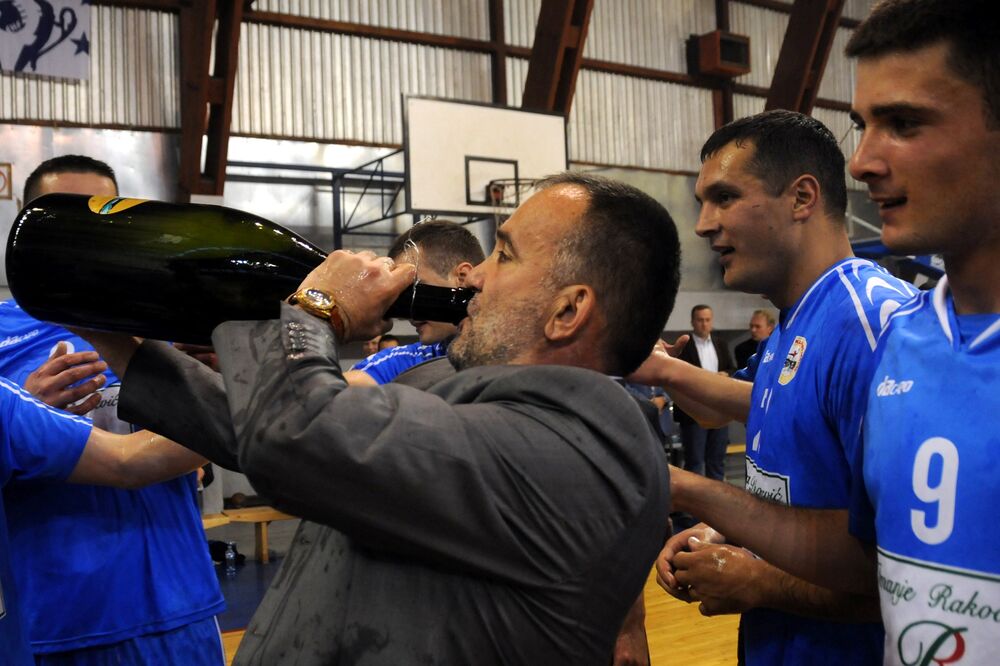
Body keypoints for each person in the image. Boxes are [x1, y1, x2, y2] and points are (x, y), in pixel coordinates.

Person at [79, 172, 681, 665]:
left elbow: (301, 437)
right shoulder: (475, 400)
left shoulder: (582, 446)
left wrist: (315, 310)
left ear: (568, 310)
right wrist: (121, 343)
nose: (472, 274)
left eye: (503, 253)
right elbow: (271, 433)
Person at [659, 1, 1000, 663]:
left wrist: (750, 567)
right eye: (862, 126)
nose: (866, 160)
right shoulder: (913, 338)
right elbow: (871, 559)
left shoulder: (871, 320)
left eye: (903, 123)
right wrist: (725, 518)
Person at [630, 110, 918, 665]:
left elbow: (900, 570)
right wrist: (725, 530)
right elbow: (784, 455)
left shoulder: (871, 325)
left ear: (802, 198)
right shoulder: (792, 319)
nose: (703, 224)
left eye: (724, 197)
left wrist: (757, 579)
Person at [0, 155, 225, 664]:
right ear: (26, 218)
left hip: (176, 606)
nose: (79, 237)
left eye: (96, 220)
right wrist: (29, 416)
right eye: (60, 217)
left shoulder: (166, 326)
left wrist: (215, 388)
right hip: (52, 621)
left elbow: (212, 444)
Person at [0, 376, 213, 664]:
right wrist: (245, 401)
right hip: (47, 615)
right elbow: (127, 462)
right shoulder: (7, 400)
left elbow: (131, 461)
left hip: (163, 599)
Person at [345, 219, 485, 386]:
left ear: (462, 277)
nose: (408, 313)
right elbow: (324, 394)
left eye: (415, 289)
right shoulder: (404, 363)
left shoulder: (517, 354)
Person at [672, 304, 735, 481]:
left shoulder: (720, 343)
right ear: (693, 322)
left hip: (719, 409)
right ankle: (694, 506)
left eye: (707, 320)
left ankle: (716, 504)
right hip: (693, 412)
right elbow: (678, 376)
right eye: (700, 320)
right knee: (695, 462)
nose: (704, 324)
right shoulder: (684, 345)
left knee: (716, 460)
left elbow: (731, 367)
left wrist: (726, 374)